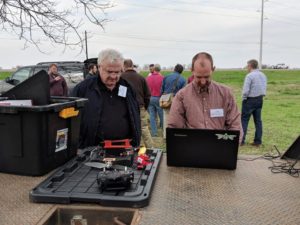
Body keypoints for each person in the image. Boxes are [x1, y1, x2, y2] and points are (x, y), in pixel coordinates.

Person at [72, 49, 141, 148]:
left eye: (117, 72)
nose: (113, 76)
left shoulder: (127, 88)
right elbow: (72, 122)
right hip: (93, 151)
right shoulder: (83, 89)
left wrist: (135, 141)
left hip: (124, 148)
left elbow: (135, 115)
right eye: (109, 72)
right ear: (99, 67)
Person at [168, 52, 243, 142]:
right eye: (199, 77)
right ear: (192, 70)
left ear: (213, 69)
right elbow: (175, 128)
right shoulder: (182, 96)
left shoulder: (226, 93)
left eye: (207, 77)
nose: (203, 82)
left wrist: (230, 145)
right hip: (192, 148)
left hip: (220, 147)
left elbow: (235, 125)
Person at [121, 59, 154, 148]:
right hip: (140, 106)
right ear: (132, 66)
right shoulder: (141, 78)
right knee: (144, 129)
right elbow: (147, 95)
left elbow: (120, 95)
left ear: (124, 66)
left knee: (128, 129)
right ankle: (151, 149)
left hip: (126, 108)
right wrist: (144, 107)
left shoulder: (121, 78)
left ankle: (133, 148)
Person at [241, 59, 267, 147]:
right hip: (260, 99)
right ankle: (257, 141)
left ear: (250, 66)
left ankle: (241, 140)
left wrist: (244, 98)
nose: (247, 67)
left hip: (249, 100)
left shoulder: (249, 76)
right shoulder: (263, 75)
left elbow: (246, 90)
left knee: (244, 120)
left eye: (247, 66)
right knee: (258, 121)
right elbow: (264, 87)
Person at [160, 64, 186, 138]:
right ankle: (175, 135)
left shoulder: (166, 77)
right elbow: (183, 94)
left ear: (174, 69)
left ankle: (166, 136)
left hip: (166, 99)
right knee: (176, 118)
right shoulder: (183, 79)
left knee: (166, 118)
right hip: (176, 100)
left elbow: (161, 90)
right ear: (181, 71)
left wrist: (164, 97)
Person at [146, 64, 164, 137]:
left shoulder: (148, 78)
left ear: (154, 69)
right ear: (160, 70)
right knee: (161, 115)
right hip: (158, 98)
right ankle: (163, 130)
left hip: (150, 98)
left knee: (152, 116)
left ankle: (154, 132)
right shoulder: (162, 78)